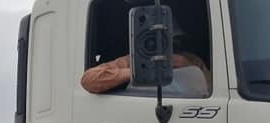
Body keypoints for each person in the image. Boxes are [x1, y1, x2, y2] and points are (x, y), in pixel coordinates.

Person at [81, 23, 211, 95]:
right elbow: (88, 80)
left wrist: (188, 66)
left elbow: (212, 92)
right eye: (160, 40)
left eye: (176, 41)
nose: (171, 45)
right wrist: (139, 70)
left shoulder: (191, 60)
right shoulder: (133, 59)